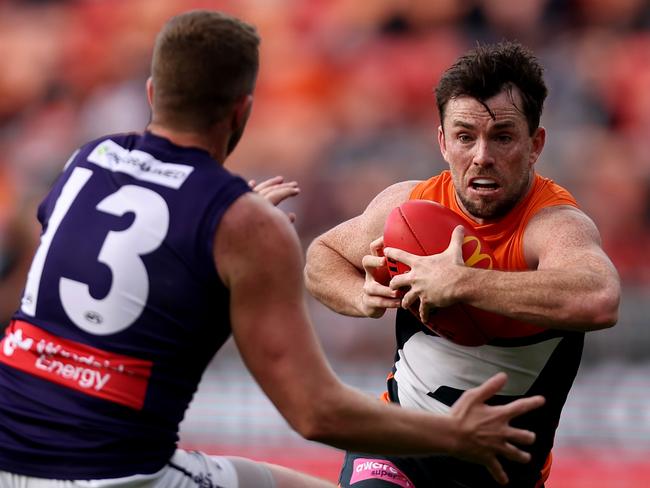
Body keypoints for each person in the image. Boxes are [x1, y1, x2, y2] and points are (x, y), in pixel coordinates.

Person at [0, 11, 545, 488]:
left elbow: (99, 259)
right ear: (242, 111)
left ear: (150, 93)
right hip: (116, 473)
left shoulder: (89, 160)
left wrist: (222, 224)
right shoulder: (247, 227)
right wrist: (455, 434)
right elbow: (315, 413)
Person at [304, 40, 621, 488]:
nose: (481, 156)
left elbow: (601, 298)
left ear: (536, 145)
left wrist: (463, 283)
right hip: (396, 446)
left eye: (503, 137)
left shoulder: (551, 225)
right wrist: (360, 294)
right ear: (442, 141)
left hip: (503, 473)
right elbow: (322, 257)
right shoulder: (408, 206)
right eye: (465, 136)